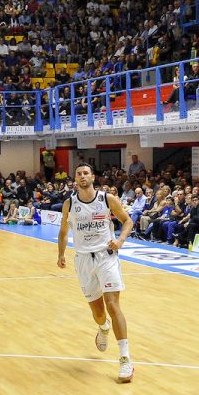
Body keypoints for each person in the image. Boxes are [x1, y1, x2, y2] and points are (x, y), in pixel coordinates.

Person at [57, 163, 134, 383]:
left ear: (93, 177)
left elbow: (127, 221)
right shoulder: (69, 204)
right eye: (79, 174)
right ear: (75, 179)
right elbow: (63, 232)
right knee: (99, 313)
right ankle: (103, 326)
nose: (82, 176)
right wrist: (61, 254)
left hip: (106, 256)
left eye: (86, 173)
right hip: (83, 259)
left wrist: (120, 240)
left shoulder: (107, 199)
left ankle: (125, 359)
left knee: (113, 305)